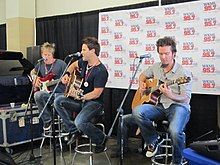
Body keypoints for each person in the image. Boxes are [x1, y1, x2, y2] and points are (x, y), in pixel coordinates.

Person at [132, 36, 192, 165]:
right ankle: (154, 140)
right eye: (160, 54)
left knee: (175, 131)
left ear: (174, 54)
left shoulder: (183, 73)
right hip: (159, 105)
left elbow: (186, 98)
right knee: (137, 111)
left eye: (166, 53)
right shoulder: (156, 67)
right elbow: (143, 76)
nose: (163, 57)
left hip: (178, 106)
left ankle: (177, 161)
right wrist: (141, 83)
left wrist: (170, 94)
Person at [54, 36, 109, 153]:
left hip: (94, 103)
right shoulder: (84, 62)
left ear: (92, 51)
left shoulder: (101, 70)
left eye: (84, 50)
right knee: (58, 101)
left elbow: (96, 93)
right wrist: (67, 74)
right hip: (81, 101)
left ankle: (101, 138)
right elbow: (73, 65)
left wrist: (81, 96)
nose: (81, 52)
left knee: (80, 122)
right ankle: (73, 130)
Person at [30, 42, 67, 130]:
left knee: (59, 99)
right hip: (48, 93)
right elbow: (32, 71)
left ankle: (66, 125)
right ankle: (47, 120)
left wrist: (65, 80)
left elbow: (68, 77)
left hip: (60, 93)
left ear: (52, 54)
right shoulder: (40, 64)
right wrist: (34, 77)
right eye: (44, 54)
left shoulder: (61, 64)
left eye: (48, 54)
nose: (46, 57)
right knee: (37, 95)